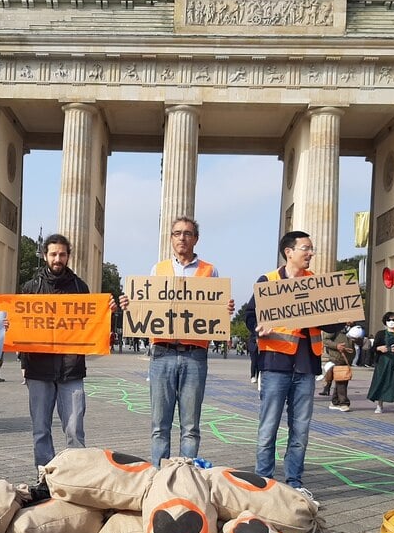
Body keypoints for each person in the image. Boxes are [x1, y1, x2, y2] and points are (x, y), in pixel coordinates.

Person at [120, 216, 234, 467]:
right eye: (177, 233)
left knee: (190, 425)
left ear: (196, 238)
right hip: (162, 352)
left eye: (187, 233)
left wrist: (225, 309)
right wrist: (131, 306)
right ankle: (161, 476)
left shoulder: (209, 270)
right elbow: (146, 305)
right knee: (159, 424)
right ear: (171, 238)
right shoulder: (157, 269)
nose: (182, 238)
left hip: (195, 353)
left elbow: (214, 307)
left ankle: (186, 476)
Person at [244, 230, 341, 504]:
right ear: (289, 252)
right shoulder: (268, 281)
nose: (310, 253)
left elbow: (332, 324)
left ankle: (294, 482)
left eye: (311, 249)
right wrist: (257, 328)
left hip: (306, 364)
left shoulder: (317, 285)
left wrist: (342, 313)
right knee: (268, 427)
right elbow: (251, 316)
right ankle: (264, 480)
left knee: (301, 429)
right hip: (275, 362)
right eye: (306, 248)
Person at [19, 234, 114, 470]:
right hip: (38, 369)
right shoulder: (30, 288)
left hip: (71, 370)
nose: (57, 258)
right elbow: (21, 326)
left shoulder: (80, 287)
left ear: (68, 256)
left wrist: (108, 311)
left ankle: (75, 478)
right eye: (53, 254)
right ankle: (45, 477)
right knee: (41, 429)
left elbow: (92, 323)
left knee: (74, 430)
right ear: (45, 256)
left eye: (62, 254)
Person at [366, 311, 394, 414]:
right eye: (389, 320)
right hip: (384, 362)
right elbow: (373, 348)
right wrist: (379, 348)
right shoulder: (380, 334)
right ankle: (379, 405)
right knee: (382, 381)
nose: (391, 322)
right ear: (385, 321)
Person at [321, 326, 355, 411]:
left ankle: (335, 402)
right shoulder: (335, 326)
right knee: (341, 381)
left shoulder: (353, 328)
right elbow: (325, 340)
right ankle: (343, 403)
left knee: (342, 379)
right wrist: (336, 346)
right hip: (337, 357)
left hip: (347, 358)